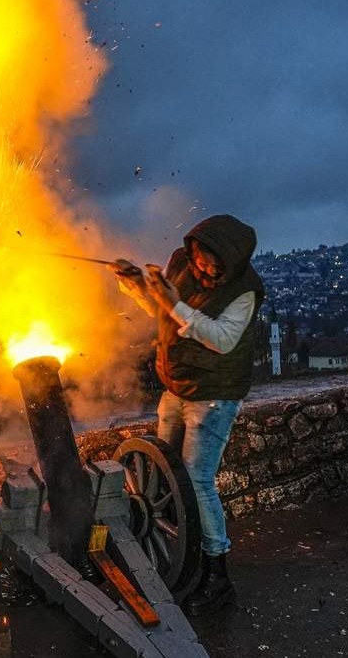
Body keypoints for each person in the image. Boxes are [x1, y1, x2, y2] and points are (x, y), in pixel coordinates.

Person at [110, 214, 265, 616]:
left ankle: (218, 575)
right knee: (166, 473)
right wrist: (135, 285)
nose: (203, 268)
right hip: (177, 386)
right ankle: (184, 554)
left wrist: (172, 301)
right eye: (199, 258)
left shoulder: (245, 290)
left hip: (214, 394)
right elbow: (162, 312)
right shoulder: (182, 262)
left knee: (196, 480)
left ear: (230, 261)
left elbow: (221, 339)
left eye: (213, 263)